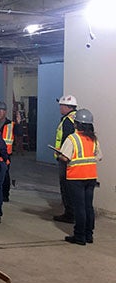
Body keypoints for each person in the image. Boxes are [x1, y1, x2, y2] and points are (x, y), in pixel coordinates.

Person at [57, 109, 102, 245]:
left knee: (79, 207)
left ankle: (79, 236)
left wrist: (59, 155)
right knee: (88, 206)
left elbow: (65, 157)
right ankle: (89, 235)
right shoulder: (93, 139)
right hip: (91, 177)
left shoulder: (72, 138)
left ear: (77, 124)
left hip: (76, 177)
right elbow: (99, 157)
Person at [53, 94, 78, 224]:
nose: (59, 108)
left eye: (61, 105)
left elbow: (67, 140)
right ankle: (74, 212)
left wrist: (62, 155)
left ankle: (69, 214)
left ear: (66, 106)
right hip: (77, 159)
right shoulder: (78, 118)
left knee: (66, 186)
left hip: (66, 158)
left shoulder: (67, 121)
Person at [0, 101, 20, 202]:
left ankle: (5, 194)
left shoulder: (11, 124)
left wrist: (19, 123)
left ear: (5, 112)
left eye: (0, 111)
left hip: (5, 155)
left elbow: (19, 133)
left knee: (5, 176)